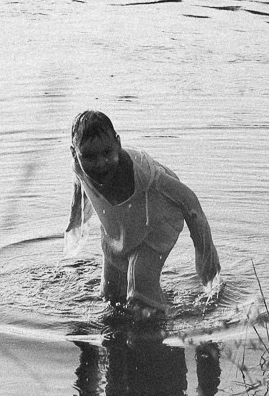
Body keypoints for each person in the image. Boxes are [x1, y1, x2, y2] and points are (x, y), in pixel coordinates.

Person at [64, 109, 221, 315]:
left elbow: (188, 199)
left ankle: (160, 324)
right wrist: (76, 222)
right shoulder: (78, 166)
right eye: (89, 157)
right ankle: (126, 328)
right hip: (121, 225)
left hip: (159, 220)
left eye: (107, 153)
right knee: (111, 295)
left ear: (118, 144)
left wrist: (204, 251)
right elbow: (80, 186)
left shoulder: (143, 173)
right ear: (74, 153)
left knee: (140, 291)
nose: (100, 164)